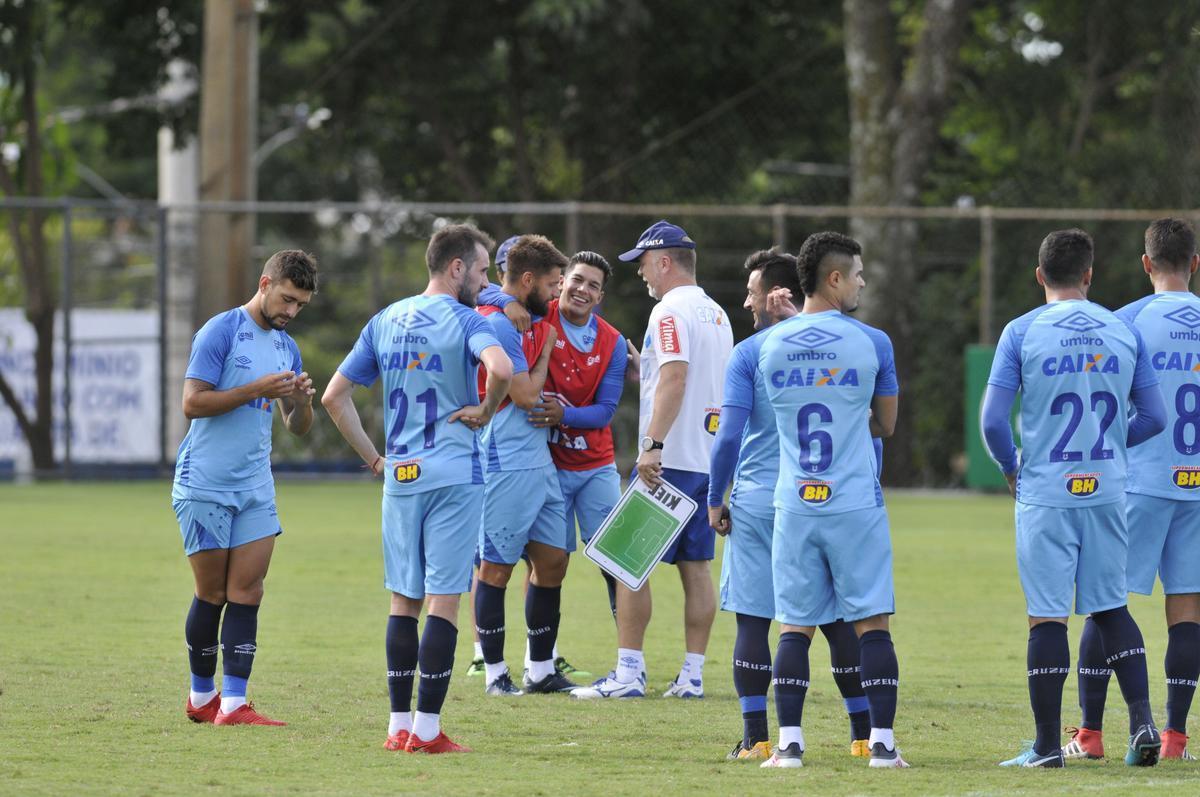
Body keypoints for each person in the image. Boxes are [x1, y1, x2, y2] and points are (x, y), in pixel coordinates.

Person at [321, 224, 513, 753]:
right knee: (443, 604)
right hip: (454, 474)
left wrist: (375, 459)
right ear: (456, 269)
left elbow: (334, 397)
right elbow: (500, 367)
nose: (485, 280)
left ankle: (397, 727)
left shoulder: (385, 319)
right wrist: (486, 409)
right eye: (480, 270)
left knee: (402, 602)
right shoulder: (465, 318)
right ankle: (427, 732)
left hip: (401, 478)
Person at [982, 228, 1166, 768]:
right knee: (1111, 608)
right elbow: (1154, 416)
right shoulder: (1123, 328)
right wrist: (1109, 444)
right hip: (1108, 488)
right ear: (1090, 275)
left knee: (1047, 617)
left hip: (1046, 491)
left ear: (1040, 276)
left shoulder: (1021, 331)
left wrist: (1011, 465)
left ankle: (1044, 749)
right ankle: (1143, 723)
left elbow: (993, 420)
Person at [707, 248, 872, 762]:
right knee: (838, 621)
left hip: (759, 500)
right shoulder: (848, 346)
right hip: (823, 497)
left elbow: (728, 435)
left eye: (752, 291)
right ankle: (863, 736)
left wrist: (716, 497)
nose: (746, 300)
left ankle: (757, 738)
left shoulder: (751, 352)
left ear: (775, 294)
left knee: (754, 620)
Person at [751, 232, 905, 769]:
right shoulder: (873, 342)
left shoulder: (769, 344)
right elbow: (885, 424)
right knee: (872, 623)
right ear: (835, 278)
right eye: (858, 273)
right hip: (854, 500)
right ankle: (881, 746)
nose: (862, 281)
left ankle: (789, 745)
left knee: (794, 624)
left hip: (794, 500)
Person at [573, 220, 733, 700]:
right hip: (707, 458)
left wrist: (652, 445)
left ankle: (629, 673)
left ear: (664, 261)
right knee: (697, 567)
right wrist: (646, 364)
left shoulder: (668, 311)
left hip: (670, 460)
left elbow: (677, 380)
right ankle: (692, 675)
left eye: (643, 262)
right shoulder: (717, 314)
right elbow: (690, 379)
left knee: (626, 563)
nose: (641, 272)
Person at [1063, 218, 1200, 762]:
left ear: (1146, 264)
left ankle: (1091, 735)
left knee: (1105, 601)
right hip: (1197, 485)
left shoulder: (1123, 322)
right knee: (1187, 609)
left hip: (1140, 481)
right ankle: (1175, 739)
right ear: (1194, 263)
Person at [174, 250, 319, 727]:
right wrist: (256, 389)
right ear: (264, 283)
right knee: (212, 592)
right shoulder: (220, 330)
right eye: (287, 299)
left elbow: (296, 428)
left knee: (249, 590)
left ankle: (234, 703)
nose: (291, 312)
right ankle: (201, 696)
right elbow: (192, 404)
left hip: (256, 484)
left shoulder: (286, 346)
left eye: (300, 305)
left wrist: (300, 403)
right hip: (207, 482)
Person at [472, 235, 580, 696]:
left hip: (538, 459)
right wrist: (549, 349)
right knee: (495, 569)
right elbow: (524, 395)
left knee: (553, 560)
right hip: (506, 457)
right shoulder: (497, 324)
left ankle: (540, 670)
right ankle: (495, 673)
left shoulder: (529, 312)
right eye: (554, 284)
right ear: (530, 281)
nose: (559, 293)